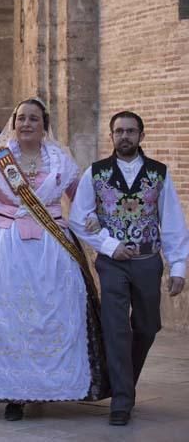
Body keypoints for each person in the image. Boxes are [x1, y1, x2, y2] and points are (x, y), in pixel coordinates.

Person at [0, 98, 108, 421]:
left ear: (45, 125)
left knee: (52, 318)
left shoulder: (61, 162)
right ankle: (12, 393)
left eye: (34, 119)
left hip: (52, 249)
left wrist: (105, 237)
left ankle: (49, 386)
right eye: (21, 118)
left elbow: (82, 202)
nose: (26, 123)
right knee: (9, 322)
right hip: (4, 250)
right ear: (13, 124)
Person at [70, 111, 189, 426]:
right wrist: (109, 246)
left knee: (147, 327)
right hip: (112, 265)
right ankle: (122, 400)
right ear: (111, 136)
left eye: (131, 131)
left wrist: (178, 266)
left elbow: (173, 221)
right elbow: (78, 219)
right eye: (119, 131)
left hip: (149, 262)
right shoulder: (95, 174)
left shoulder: (158, 173)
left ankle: (122, 381)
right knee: (117, 329)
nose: (125, 136)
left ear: (141, 135)